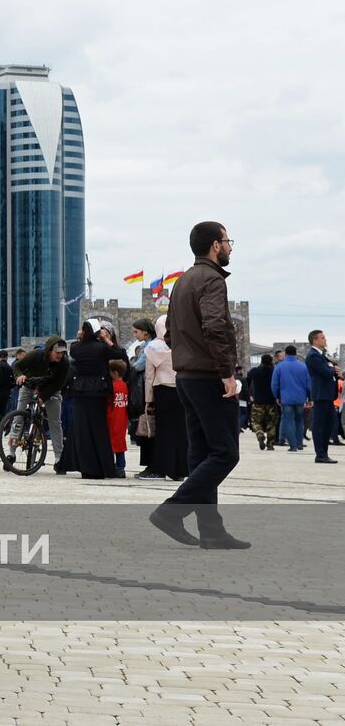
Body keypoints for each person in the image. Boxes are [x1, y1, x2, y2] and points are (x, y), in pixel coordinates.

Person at [149, 222, 249, 549]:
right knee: (225, 454)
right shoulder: (211, 280)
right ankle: (171, 512)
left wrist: (184, 359)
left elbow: (170, 334)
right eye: (227, 241)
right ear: (214, 246)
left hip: (187, 378)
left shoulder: (183, 282)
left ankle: (211, 530)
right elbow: (216, 327)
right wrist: (227, 373)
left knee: (203, 453)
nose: (231, 247)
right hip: (208, 377)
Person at [56, 321, 124, 479]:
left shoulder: (76, 348)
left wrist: (79, 338)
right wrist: (106, 340)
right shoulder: (101, 348)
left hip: (80, 391)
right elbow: (120, 353)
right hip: (98, 391)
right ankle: (104, 467)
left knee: (82, 430)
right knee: (99, 430)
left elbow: (74, 351)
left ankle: (85, 467)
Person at [138, 315, 188, 481]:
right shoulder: (182, 345)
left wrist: (148, 400)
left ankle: (160, 468)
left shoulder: (153, 348)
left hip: (162, 390)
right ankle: (179, 470)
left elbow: (149, 377)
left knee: (164, 431)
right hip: (181, 390)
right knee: (180, 431)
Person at [9, 336, 71, 468]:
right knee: (18, 418)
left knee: (55, 422)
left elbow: (57, 384)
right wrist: (19, 375)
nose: (60, 355)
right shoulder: (36, 355)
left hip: (50, 390)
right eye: (57, 352)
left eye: (62, 353)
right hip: (29, 386)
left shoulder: (64, 363)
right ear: (49, 350)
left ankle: (59, 458)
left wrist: (43, 397)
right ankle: (11, 453)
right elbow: (18, 366)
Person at [304, 330, 339, 464]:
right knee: (319, 425)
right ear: (315, 340)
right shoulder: (313, 356)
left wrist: (332, 369)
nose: (325, 340)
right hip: (321, 395)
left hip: (327, 395)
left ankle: (324, 453)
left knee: (329, 424)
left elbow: (331, 369)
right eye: (323, 338)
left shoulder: (322, 356)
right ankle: (320, 454)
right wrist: (333, 370)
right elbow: (326, 371)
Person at [271, 346, 309, 452]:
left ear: (286, 354)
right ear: (296, 353)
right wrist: (309, 397)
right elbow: (308, 383)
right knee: (299, 421)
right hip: (300, 398)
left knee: (288, 421)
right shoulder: (303, 366)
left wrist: (277, 396)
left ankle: (293, 445)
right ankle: (300, 443)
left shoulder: (279, 367)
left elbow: (274, 384)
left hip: (286, 398)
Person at [245, 352, 278, 451]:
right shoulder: (274, 371)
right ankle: (270, 444)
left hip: (258, 400)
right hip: (271, 400)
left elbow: (248, 376)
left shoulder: (256, 371)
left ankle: (259, 433)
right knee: (271, 423)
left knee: (255, 421)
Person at [107, 359, 130, 478]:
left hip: (112, 418)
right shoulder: (125, 386)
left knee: (110, 444)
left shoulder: (112, 386)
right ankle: (121, 468)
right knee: (120, 444)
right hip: (122, 418)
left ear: (114, 373)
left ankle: (112, 467)